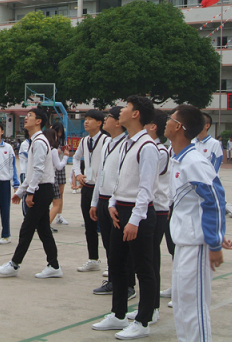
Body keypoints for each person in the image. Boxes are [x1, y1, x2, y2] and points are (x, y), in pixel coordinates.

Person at [91, 96, 159, 339]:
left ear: (136, 114)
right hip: (119, 209)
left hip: (137, 213)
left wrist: (135, 219)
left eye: (126, 108)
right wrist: (111, 203)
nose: (120, 112)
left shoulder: (147, 146)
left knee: (143, 268)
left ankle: (143, 321)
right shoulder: (128, 143)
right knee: (116, 264)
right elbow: (119, 177)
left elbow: (146, 187)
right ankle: (118, 314)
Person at [163, 104, 226, 342]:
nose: (166, 122)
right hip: (183, 242)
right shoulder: (177, 158)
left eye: (170, 119)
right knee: (181, 303)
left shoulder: (194, 161)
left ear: (179, 126)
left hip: (197, 245)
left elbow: (215, 201)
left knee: (194, 307)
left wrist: (215, 242)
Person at [0, 108, 63, 279]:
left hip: (42, 189)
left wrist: (30, 192)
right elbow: (32, 172)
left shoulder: (39, 141)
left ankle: (14, 264)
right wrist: (21, 191)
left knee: (27, 228)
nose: (26, 119)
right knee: (44, 230)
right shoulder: (36, 141)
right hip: (41, 188)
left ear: (39, 121)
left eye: (30, 116)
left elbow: (38, 171)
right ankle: (54, 265)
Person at [126, 109, 171, 325]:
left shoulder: (158, 150)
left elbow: (147, 181)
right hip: (151, 207)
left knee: (151, 260)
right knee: (146, 260)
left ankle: (152, 308)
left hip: (158, 208)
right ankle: (146, 305)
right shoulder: (146, 146)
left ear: (153, 126)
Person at [89, 106, 133, 298]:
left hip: (117, 201)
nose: (105, 120)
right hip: (104, 198)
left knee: (121, 247)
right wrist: (94, 201)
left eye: (109, 118)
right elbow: (101, 175)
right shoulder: (108, 143)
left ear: (118, 123)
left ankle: (128, 284)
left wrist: (111, 202)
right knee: (108, 244)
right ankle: (114, 281)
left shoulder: (126, 144)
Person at [72, 109, 108, 273]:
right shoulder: (85, 140)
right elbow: (75, 157)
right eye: (85, 119)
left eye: (90, 119)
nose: (86, 122)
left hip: (103, 188)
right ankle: (93, 258)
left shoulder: (106, 141)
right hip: (88, 187)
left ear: (99, 123)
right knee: (89, 225)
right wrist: (78, 174)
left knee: (107, 227)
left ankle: (112, 262)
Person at [49, 121, 70, 226]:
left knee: (60, 192)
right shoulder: (49, 140)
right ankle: (50, 213)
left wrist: (65, 151)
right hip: (52, 167)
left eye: (61, 132)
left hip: (61, 167)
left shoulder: (62, 141)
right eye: (58, 132)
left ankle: (59, 215)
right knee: (51, 193)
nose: (59, 134)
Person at [18, 130, 31, 217]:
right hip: (25, 172)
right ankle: (26, 215)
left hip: (32, 173)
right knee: (25, 195)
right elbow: (30, 156)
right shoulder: (25, 144)